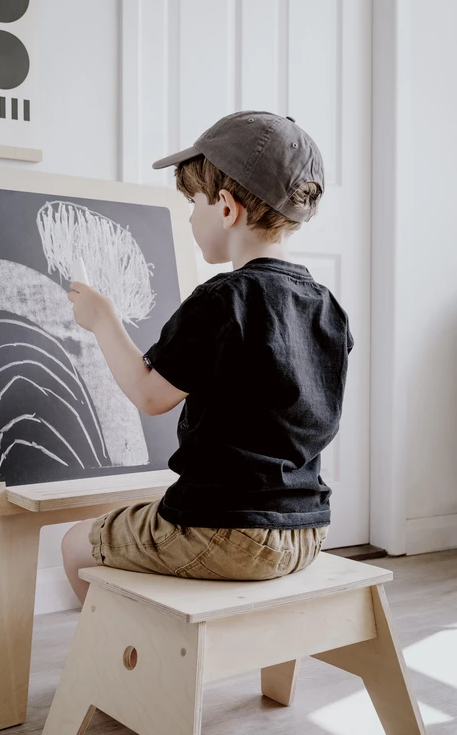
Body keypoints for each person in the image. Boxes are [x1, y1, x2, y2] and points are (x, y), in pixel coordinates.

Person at [62, 110, 353, 604]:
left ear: (225, 207)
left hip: (225, 532)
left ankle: (113, 670)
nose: (190, 216)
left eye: (192, 202)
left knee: (74, 545)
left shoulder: (223, 299)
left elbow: (150, 395)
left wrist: (103, 320)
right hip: (306, 532)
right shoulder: (328, 307)